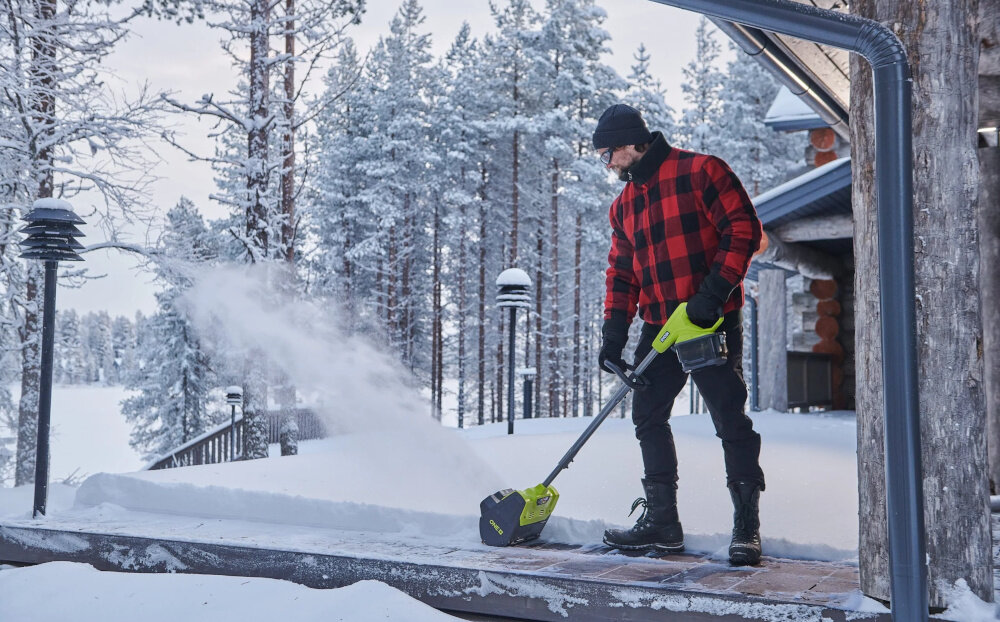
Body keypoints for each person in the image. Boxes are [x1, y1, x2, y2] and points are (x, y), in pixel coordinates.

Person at [593, 103, 765, 566]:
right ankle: (663, 524)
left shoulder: (701, 171)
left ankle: (746, 528)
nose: (607, 164)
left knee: (729, 418)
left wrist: (711, 295)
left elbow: (743, 229)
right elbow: (622, 274)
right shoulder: (624, 205)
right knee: (647, 415)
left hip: (708, 319)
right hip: (661, 328)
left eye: (608, 153)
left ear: (631, 142)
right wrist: (613, 335)